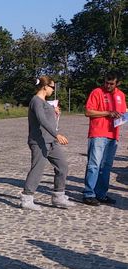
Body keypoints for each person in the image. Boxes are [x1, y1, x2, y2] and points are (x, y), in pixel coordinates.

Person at [20, 76, 74, 210]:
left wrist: (53, 111)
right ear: (45, 86)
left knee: (62, 167)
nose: (53, 90)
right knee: (37, 169)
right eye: (52, 87)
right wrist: (57, 134)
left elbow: (47, 113)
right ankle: (27, 198)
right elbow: (41, 120)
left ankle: (58, 196)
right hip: (39, 142)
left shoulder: (44, 102)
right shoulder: (36, 101)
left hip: (51, 142)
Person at [82, 72, 125, 206]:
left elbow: (123, 113)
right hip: (98, 133)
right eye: (106, 82)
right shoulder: (97, 92)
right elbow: (88, 112)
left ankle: (101, 194)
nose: (108, 85)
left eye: (111, 83)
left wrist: (121, 116)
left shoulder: (120, 95)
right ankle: (89, 194)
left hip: (113, 135)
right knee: (94, 165)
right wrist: (107, 113)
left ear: (117, 83)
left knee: (106, 167)